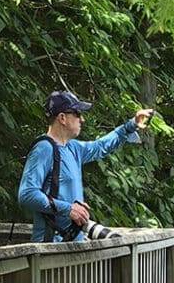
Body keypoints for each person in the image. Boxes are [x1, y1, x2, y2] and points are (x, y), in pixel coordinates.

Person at [17, 90, 151, 241]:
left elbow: (100, 146)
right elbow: (27, 194)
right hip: (49, 249)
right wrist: (68, 209)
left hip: (73, 247)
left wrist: (130, 126)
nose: (82, 119)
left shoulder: (73, 147)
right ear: (62, 117)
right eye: (77, 114)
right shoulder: (44, 149)